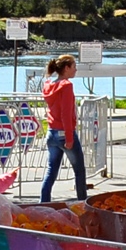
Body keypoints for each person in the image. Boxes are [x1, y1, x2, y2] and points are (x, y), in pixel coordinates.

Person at [40, 55, 85, 203]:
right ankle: (83, 202)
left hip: (51, 131)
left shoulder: (48, 84)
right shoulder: (66, 86)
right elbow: (66, 113)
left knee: (51, 170)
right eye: (73, 66)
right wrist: (70, 137)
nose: (76, 70)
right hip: (64, 132)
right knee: (79, 170)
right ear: (66, 68)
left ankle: (44, 202)